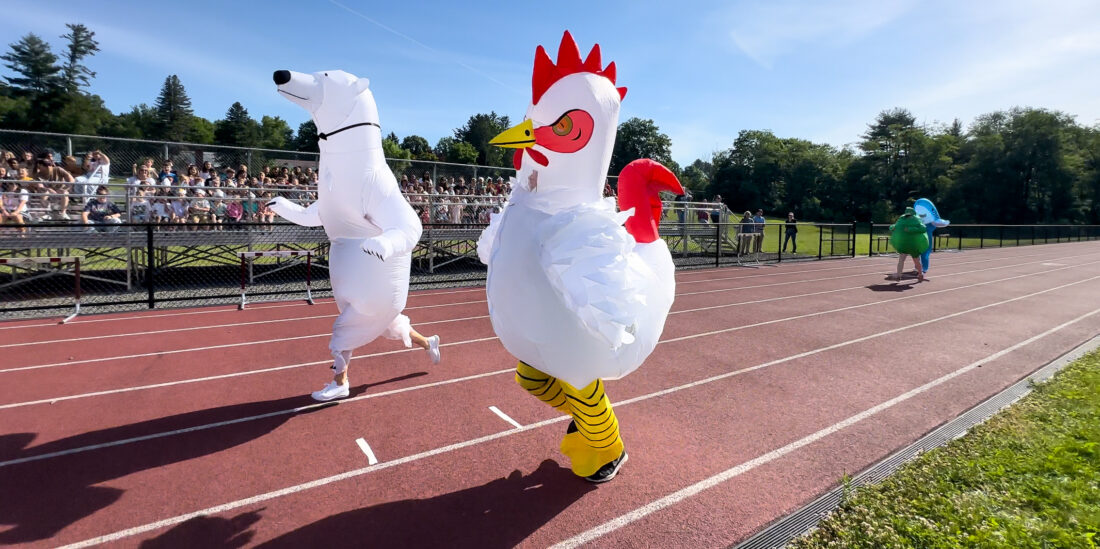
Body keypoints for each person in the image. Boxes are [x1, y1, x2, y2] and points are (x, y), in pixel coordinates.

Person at [888, 206, 928, 282]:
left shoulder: (916, 220)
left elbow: (923, 229)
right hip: (904, 244)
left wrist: (910, 229)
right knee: (901, 260)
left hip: (913, 244)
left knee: (916, 261)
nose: (907, 216)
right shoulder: (902, 219)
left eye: (909, 215)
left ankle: (920, 274)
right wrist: (892, 227)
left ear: (912, 214)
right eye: (907, 215)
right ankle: (899, 275)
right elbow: (896, 226)